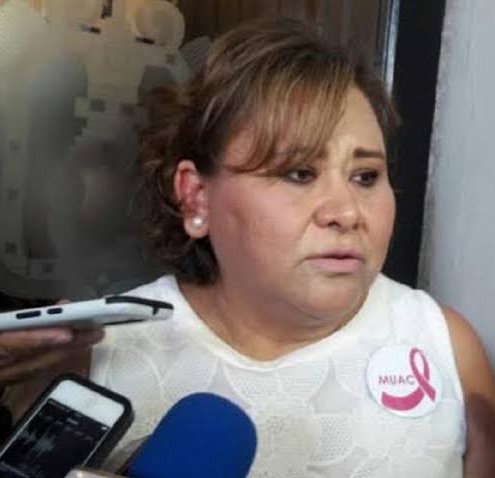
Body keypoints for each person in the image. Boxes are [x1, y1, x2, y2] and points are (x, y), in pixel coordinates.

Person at [12, 17, 495, 477]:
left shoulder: (447, 348)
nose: (347, 212)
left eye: (366, 176)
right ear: (196, 197)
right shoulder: (94, 359)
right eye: (299, 173)